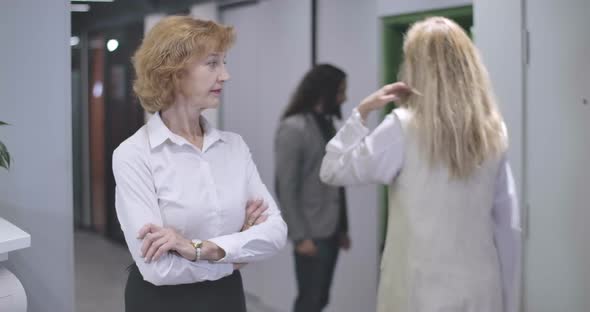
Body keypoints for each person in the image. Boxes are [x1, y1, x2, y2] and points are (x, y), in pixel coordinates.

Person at [320, 17, 521, 312]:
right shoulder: (494, 130)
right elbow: (507, 225)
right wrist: (508, 299)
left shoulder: (402, 128)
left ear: (416, 66)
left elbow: (332, 170)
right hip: (480, 290)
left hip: (417, 291)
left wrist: (361, 113)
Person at [112, 16, 287, 312]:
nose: (225, 75)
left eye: (224, 62)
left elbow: (275, 233)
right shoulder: (134, 154)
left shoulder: (234, 147)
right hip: (161, 303)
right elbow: (157, 269)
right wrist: (234, 257)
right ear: (174, 72)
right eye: (213, 63)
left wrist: (196, 249)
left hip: (227, 299)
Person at [274, 64, 351, 312]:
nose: (344, 98)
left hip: (330, 229)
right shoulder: (294, 127)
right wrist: (299, 236)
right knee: (309, 301)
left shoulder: (328, 124)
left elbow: (335, 181)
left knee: (320, 299)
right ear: (324, 92)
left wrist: (342, 227)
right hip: (310, 231)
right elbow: (286, 186)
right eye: (340, 92)